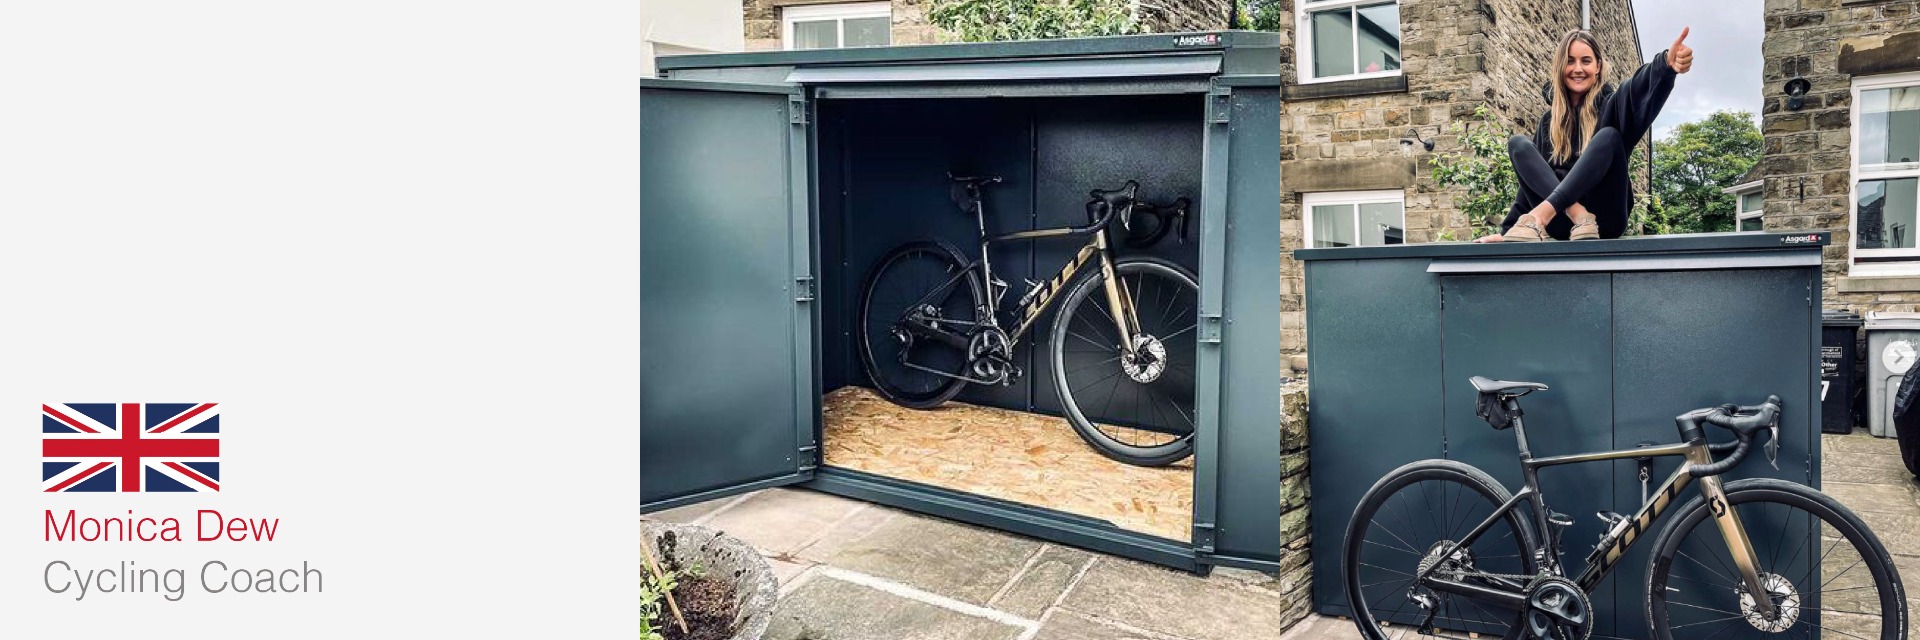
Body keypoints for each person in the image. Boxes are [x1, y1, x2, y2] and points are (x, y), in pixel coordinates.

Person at [1476, 28, 1694, 242]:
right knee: (1519, 144)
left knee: (1609, 136)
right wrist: (1507, 231)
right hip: (1562, 225)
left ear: (1598, 66)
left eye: (1586, 61)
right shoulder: (1548, 122)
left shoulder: (1611, 106)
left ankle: (1543, 215)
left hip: (1605, 220)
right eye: (1570, 61)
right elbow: (1532, 182)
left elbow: (1634, 91)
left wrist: (1665, 65)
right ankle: (1577, 214)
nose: (1577, 68)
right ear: (1560, 67)